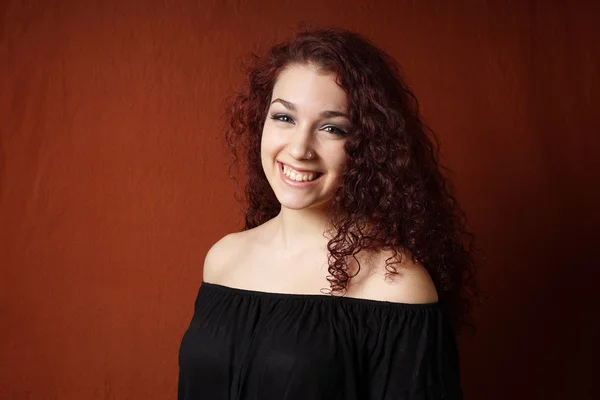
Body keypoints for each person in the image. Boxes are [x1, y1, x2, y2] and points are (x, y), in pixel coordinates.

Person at [178, 26, 480, 400]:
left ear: (369, 145)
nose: (300, 148)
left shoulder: (395, 284)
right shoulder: (224, 258)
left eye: (331, 128)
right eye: (284, 118)